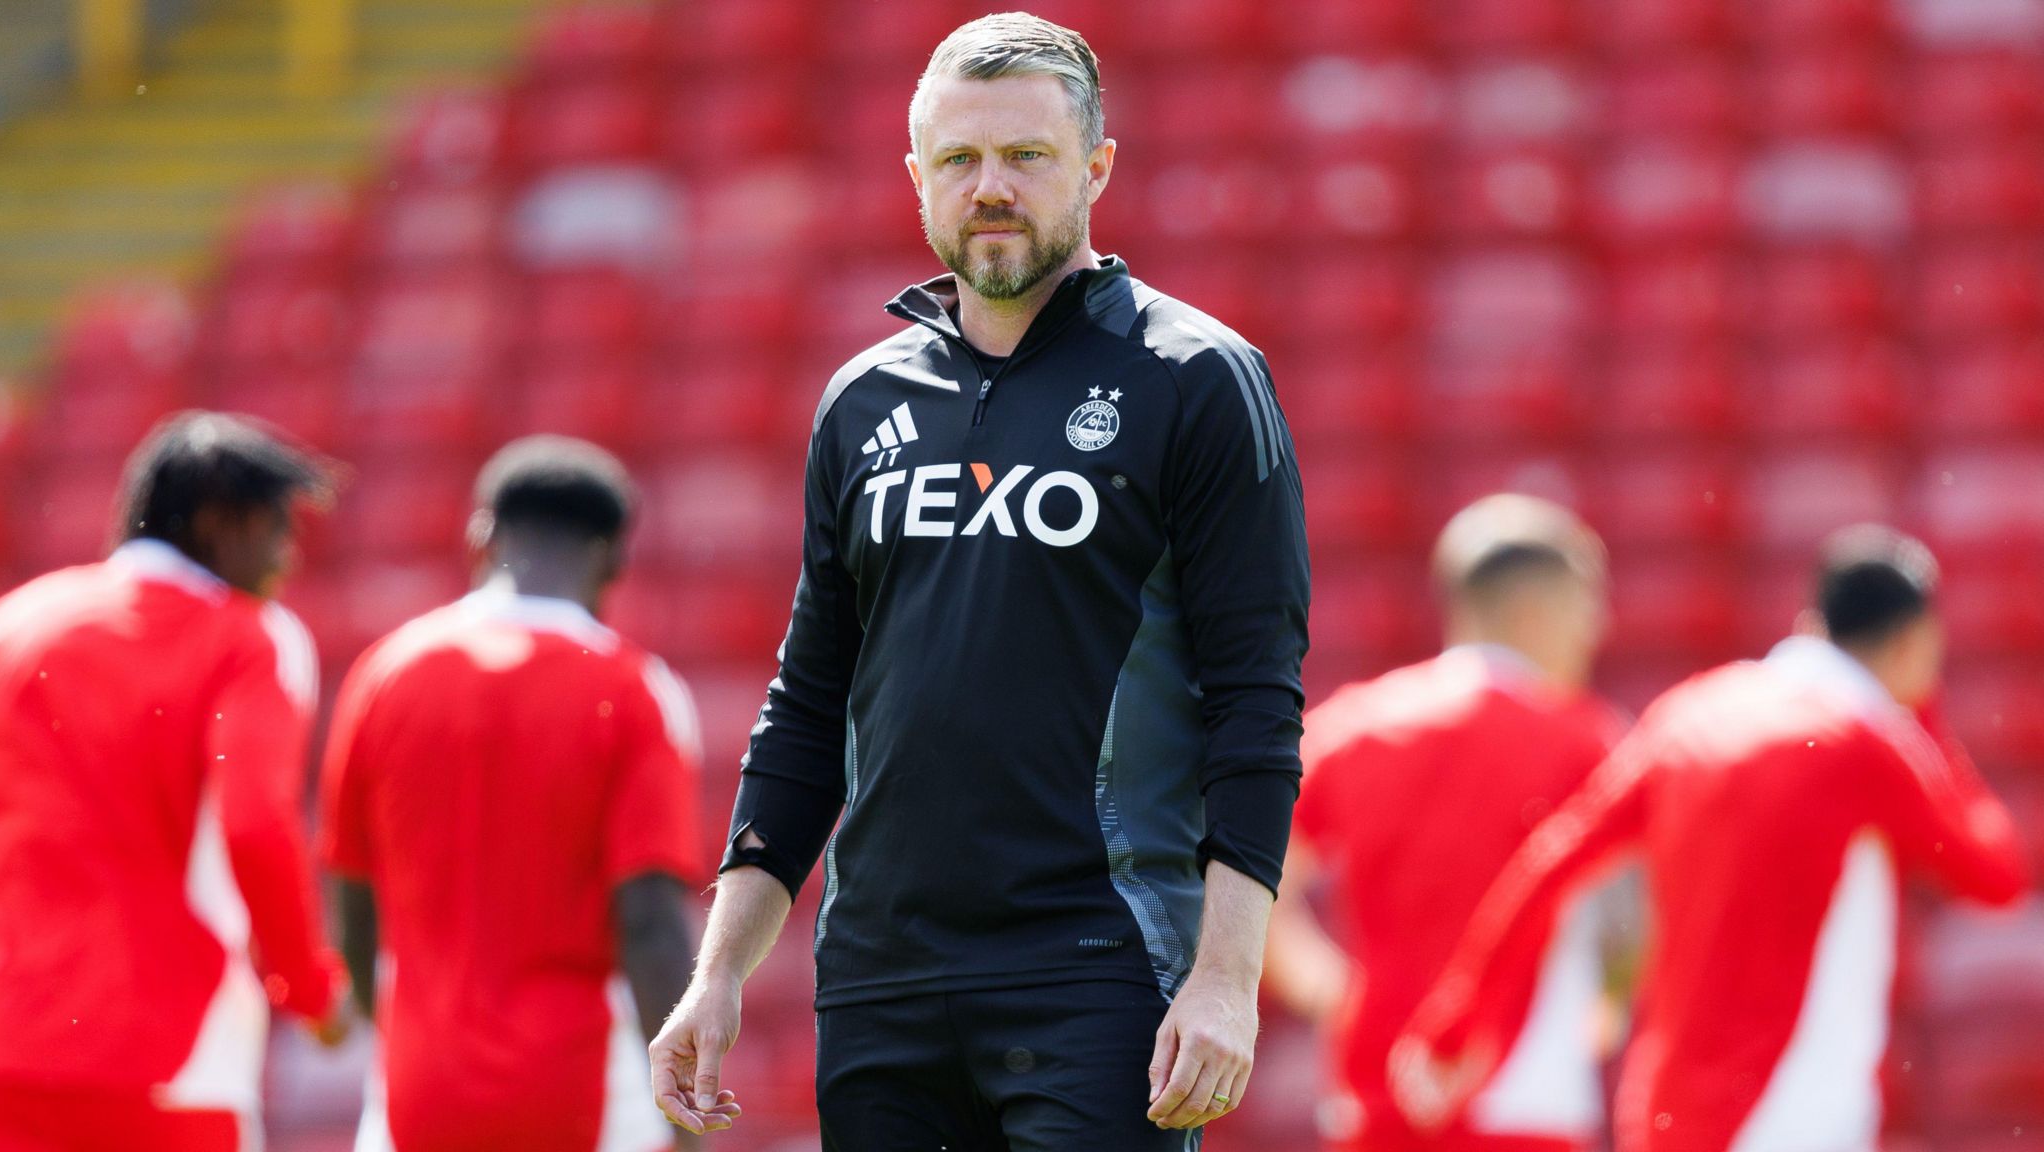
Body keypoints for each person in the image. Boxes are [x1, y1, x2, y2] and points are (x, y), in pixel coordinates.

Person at [648, 13, 1311, 1150]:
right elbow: (808, 708)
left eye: (1026, 157)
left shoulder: (1198, 378)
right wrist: (717, 975)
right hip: (878, 980)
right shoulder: (859, 399)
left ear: (1094, 168)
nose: (989, 187)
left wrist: (1223, 977)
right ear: (916, 178)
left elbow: (1253, 699)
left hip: (1097, 966)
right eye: (959, 160)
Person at [1391, 525, 2032, 1152]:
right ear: (1913, 644)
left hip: (1666, 1109)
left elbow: (1553, 864)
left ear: (1811, 625)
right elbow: (1996, 875)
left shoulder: (1685, 715)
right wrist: (1925, 716)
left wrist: (1456, 1018)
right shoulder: (1867, 744)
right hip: (1797, 1108)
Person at [319, 435, 717, 1152]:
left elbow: (351, 901)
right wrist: (686, 1117)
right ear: (613, 558)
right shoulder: (633, 693)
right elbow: (652, 921)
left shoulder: (384, 675)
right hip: (582, 1096)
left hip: (417, 1095)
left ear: (479, 536)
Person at [0, 411, 348, 1152]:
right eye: (278, 530)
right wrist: (310, 988)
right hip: (167, 1056)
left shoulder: (15, 624)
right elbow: (256, 823)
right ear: (222, 524)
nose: (287, 559)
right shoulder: (249, 639)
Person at [1264, 495, 1624, 1152]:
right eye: (1586, 607)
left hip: (1371, 1085)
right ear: (1533, 610)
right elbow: (1640, 904)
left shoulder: (1353, 728)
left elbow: (1253, 888)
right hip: (1520, 1093)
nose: (1595, 630)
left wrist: (1327, 991)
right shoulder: (1583, 741)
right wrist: (1609, 999)